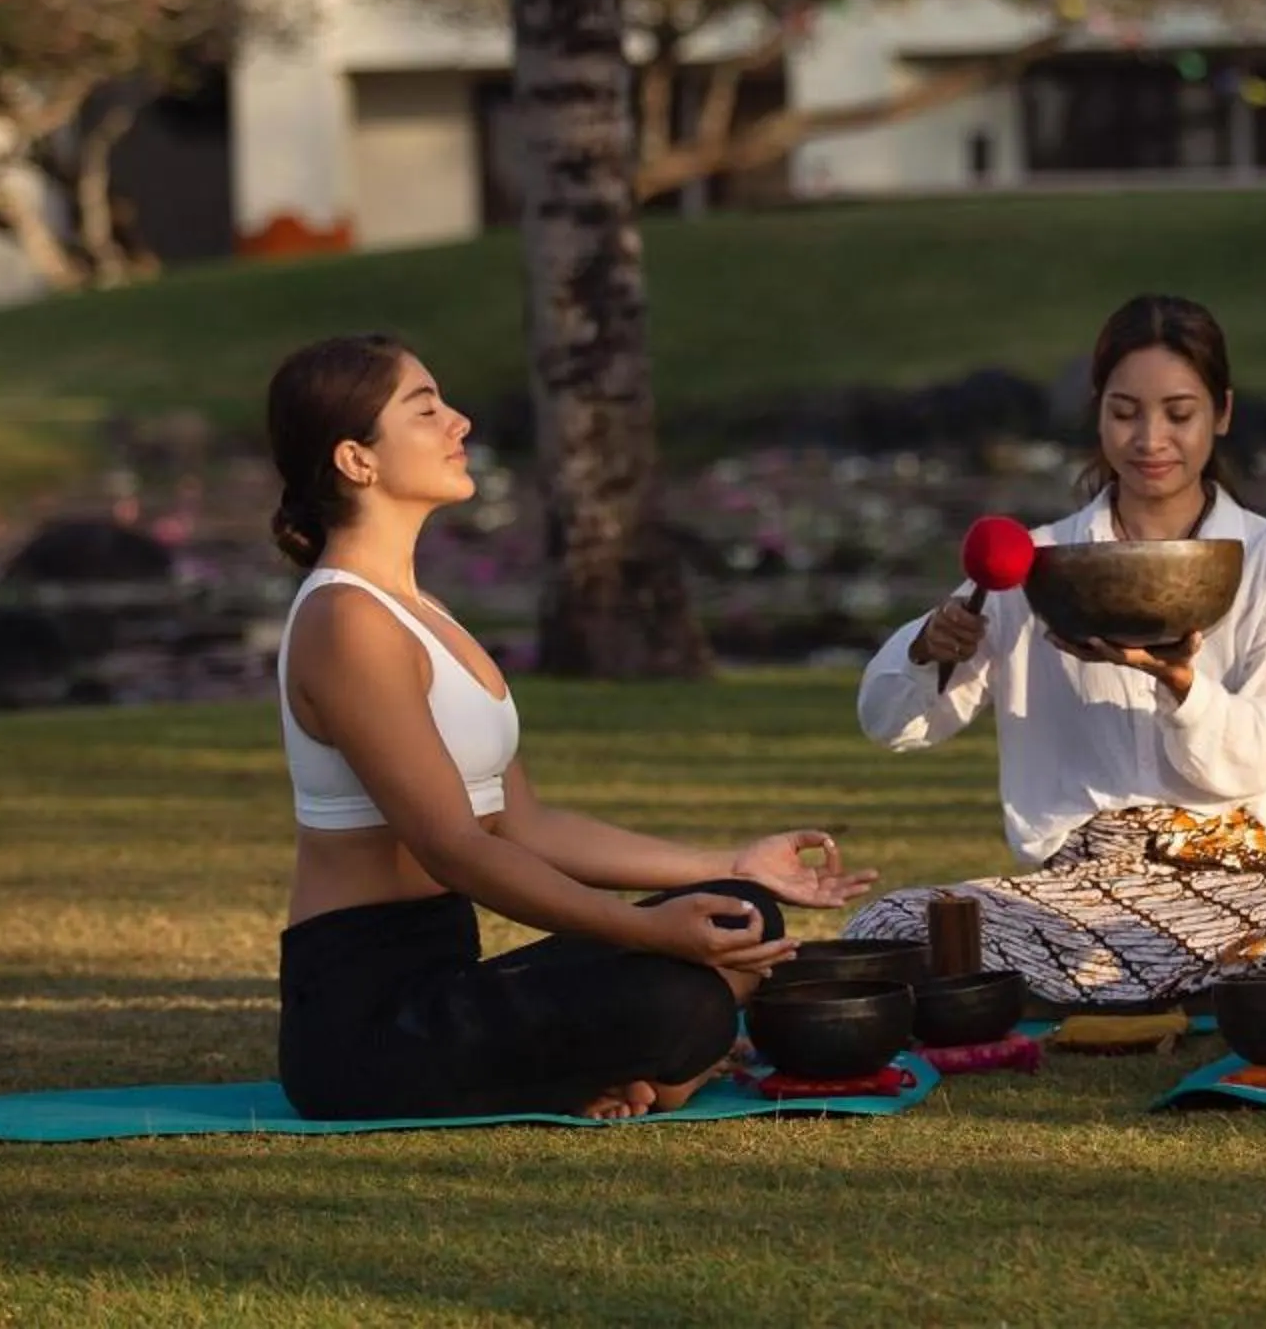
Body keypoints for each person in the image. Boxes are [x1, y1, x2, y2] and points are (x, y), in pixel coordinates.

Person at [264, 334, 875, 1120]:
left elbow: (524, 824)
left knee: (737, 910)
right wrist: (648, 932)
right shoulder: (346, 621)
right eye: (425, 410)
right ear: (357, 460)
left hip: (452, 983)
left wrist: (732, 864)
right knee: (677, 1001)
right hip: (366, 1026)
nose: (459, 422)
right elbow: (455, 849)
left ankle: (634, 1067)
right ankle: (653, 1066)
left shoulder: (420, 613)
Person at [848, 294, 1266, 1005]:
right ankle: (1221, 982)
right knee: (889, 924)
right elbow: (892, 725)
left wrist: (1182, 688)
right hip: (1075, 897)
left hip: (1239, 883)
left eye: (1179, 413)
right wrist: (929, 645)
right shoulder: (1035, 561)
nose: (1150, 439)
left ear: (1221, 413)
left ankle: (1123, 982)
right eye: (1126, 412)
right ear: (1098, 413)